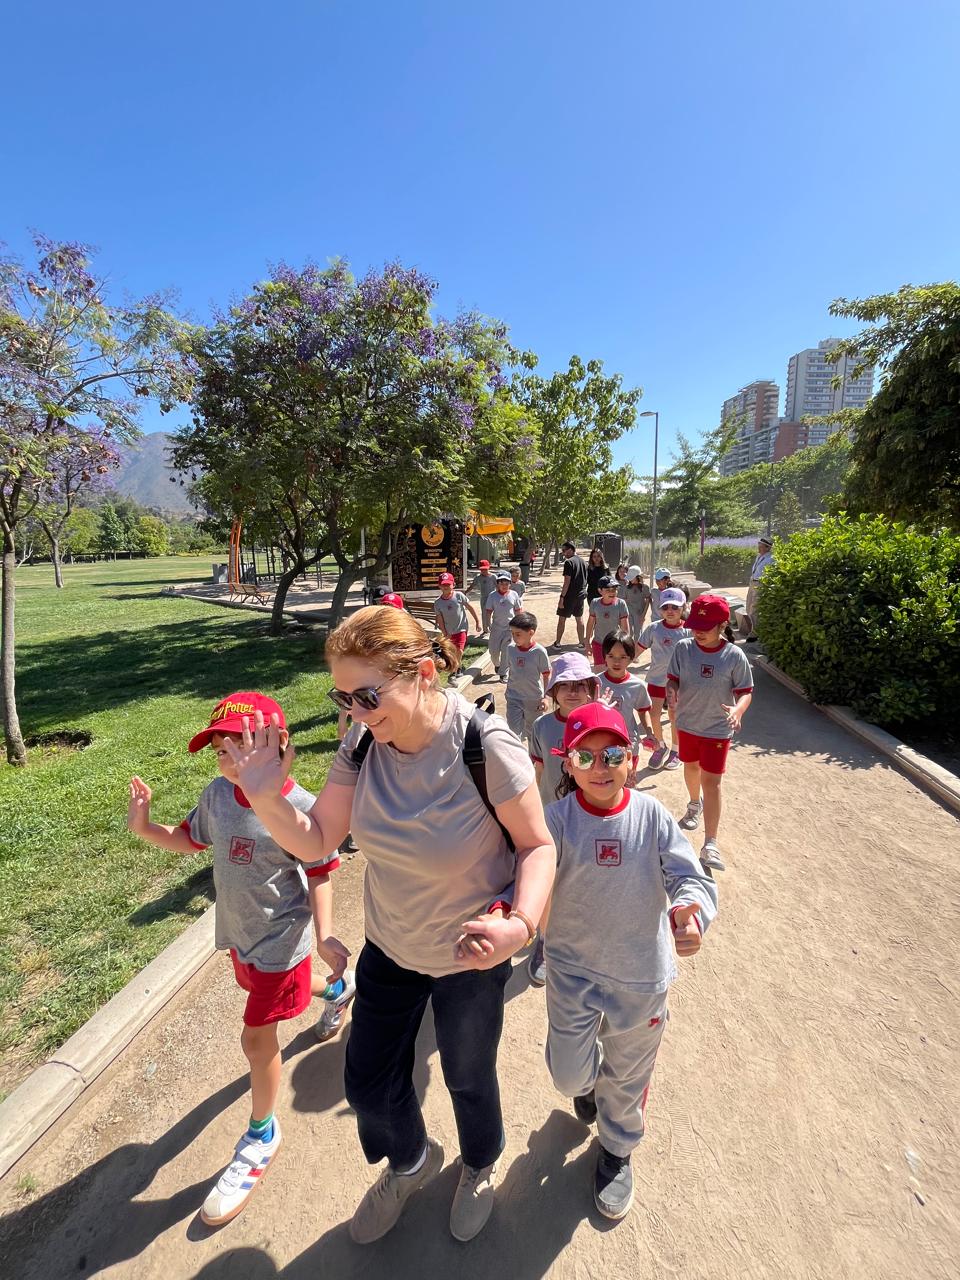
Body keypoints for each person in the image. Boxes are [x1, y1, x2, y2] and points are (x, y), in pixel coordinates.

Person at [219, 608, 555, 1244]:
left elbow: (538, 845)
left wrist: (520, 926)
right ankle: (409, 1161)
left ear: (423, 674)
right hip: (391, 948)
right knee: (368, 1085)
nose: (355, 710)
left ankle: (479, 1163)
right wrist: (265, 795)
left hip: (470, 957)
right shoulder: (361, 743)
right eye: (343, 697)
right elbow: (319, 837)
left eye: (367, 695)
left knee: (467, 1077)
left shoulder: (485, 746)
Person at [126, 692, 351, 1227]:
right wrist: (145, 829)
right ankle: (338, 992)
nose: (228, 761)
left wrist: (325, 934)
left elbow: (320, 870)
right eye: (220, 751)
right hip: (239, 936)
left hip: (283, 941)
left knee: (256, 1039)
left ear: (279, 746)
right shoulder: (218, 796)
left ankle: (261, 1135)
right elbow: (191, 839)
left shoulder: (301, 808)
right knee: (287, 995)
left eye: (240, 748)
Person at [542, 701, 718, 1220]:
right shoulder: (555, 821)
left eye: (612, 755)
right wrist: (508, 915)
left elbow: (688, 875)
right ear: (568, 763)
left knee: (629, 1075)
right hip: (572, 969)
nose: (600, 767)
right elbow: (523, 876)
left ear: (632, 760)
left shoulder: (652, 816)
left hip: (641, 974)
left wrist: (690, 911)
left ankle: (617, 1150)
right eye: (586, 756)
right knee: (570, 1077)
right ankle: (587, 1085)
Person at [527, 652, 601, 987]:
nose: (573, 691)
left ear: (590, 688)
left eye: (580, 685)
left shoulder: (600, 721)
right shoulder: (542, 726)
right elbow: (538, 769)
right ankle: (545, 940)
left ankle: (586, 938)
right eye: (565, 685)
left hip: (591, 814)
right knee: (549, 879)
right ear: (553, 690)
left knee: (588, 877)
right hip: (551, 815)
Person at [667, 594, 754, 872]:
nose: (698, 632)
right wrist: (671, 692)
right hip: (688, 724)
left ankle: (710, 843)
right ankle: (695, 803)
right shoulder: (683, 648)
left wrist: (738, 710)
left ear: (722, 625)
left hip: (717, 729)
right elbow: (673, 679)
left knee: (712, 782)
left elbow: (745, 691)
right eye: (695, 625)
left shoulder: (734, 656)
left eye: (705, 627)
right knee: (691, 768)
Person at [637, 588, 691, 770]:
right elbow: (638, 649)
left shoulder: (689, 631)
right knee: (653, 714)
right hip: (656, 680)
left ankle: (676, 750)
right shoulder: (654, 628)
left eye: (675, 607)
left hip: (679, 683)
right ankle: (660, 747)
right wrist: (621, 665)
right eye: (665, 607)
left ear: (683, 607)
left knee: (674, 715)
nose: (670, 611)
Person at [597, 633, 656, 769]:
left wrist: (649, 733)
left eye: (623, 657)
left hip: (627, 743)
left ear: (631, 658)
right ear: (604, 656)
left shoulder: (638, 685)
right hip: (601, 742)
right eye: (611, 656)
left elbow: (643, 711)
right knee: (605, 777)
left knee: (626, 778)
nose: (616, 662)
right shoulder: (596, 682)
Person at [503, 611, 551, 743]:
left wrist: (546, 697)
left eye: (518, 634)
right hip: (513, 697)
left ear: (531, 633)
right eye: (512, 633)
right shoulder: (510, 649)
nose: (514, 637)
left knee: (533, 733)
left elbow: (546, 675)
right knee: (512, 733)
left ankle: (532, 755)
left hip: (533, 699)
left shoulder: (539, 652)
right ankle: (515, 755)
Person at [584, 574, 630, 668]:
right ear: (600, 591)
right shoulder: (595, 603)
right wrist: (587, 641)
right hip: (598, 643)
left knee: (613, 669)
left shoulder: (621, 604)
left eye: (614, 589)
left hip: (614, 645)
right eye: (608, 590)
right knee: (599, 669)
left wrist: (625, 645)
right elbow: (590, 623)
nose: (612, 592)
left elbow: (625, 627)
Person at [433, 572, 481, 653]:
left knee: (459, 650)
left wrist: (477, 621)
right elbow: (440, 619)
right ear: (439, 586)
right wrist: (444, 632)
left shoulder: (459, 596)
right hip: (448, 631)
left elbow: (470, 608)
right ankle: (455, 661)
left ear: (453, 585)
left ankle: (457, 661)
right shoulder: (438, 602)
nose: (446, 587)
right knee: (451, 651)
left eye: (448, 584)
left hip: (461, 629)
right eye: (443, 585)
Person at [487, 571, 522, 680]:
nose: (504, 586)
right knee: (493, 652)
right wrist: (488, 624)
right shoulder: (492, 596)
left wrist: (519, 625)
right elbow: (488, 611)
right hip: (496, 628)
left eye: (506, 583)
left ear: (510, 584)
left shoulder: (514, 595)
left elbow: (518, 610)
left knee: (506, 651)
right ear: (497, 584)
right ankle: (497, 665)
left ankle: (503, 673)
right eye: (501, 583)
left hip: (509, 629)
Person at [553, 541, 588, 649]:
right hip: (581, 594)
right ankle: (581, 643)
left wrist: (562, 597)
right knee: (579, 618)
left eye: (564, 550)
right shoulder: (584, 562)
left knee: (562, 619)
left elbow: (567, 582)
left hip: (569, 595)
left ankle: (558, 643)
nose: (563, 553)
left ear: (571, 550)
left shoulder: (569, 562)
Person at [743, 535, 775, 642]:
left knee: (754, 609)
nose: (759, 548)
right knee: (748, 607)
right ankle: (754, 630)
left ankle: (755, 633)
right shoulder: (759, 556)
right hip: (753, 582)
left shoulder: (771, 559)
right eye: (759, 545)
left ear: (768, 548)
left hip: (760, 584)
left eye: (761, 546)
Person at [467, 559, 497, 635]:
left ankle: (493, 628)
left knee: (495, 613)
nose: (484, 571)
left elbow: (498, 586)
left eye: (485, 569)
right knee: (484, 613)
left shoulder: (493, 576)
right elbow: (472, 585)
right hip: (484, 598)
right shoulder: (478, 577)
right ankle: (485, 629)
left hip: (493, 597)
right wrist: (466, 592)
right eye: (482, 569)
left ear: (488, 568)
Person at [623, 565, 651, 635]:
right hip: (629, 613)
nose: (630, 579)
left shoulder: (645, 588)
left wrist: (643, 615)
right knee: (629, 632)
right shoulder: (626, 588)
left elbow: (647, 601)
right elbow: (624, 601)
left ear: (638, 577)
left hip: (639, 613)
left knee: (638, 633)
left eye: (632, 577)